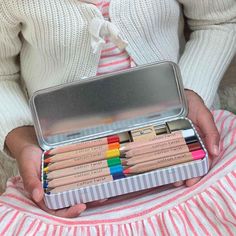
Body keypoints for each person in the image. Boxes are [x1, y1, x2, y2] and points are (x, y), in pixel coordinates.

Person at [0, 0, 235, 234]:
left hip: (183, 134)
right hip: (64, 163)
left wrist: (191, 92)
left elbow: (218, 20)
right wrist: (22, 140)